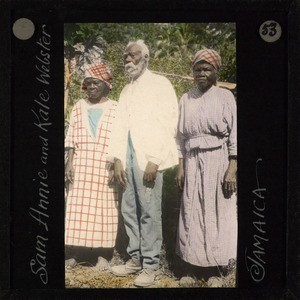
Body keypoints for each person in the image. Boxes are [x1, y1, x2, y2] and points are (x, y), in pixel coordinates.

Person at [108, 40, 178, 287]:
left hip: (149, 158)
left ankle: (151, 265)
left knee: (149, 211)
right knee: (129, 209)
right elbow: (119, 127)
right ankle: (135, 258)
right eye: (125, 55)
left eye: (133, 55)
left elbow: (169, 122)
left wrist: (155, 160)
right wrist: (117, 159)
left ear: (146, 58)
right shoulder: (126, 90)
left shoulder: (160, 84)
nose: (128, 58)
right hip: (127, 157)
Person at [175, 49, 237, 283]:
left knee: (216, 211)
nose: (201, 73)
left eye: (206, 69)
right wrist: (181, 166)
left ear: (215, 72)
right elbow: (180, 138)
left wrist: (232, 168)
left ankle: (216, 270)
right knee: (191, 211)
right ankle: (191, 268)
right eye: (197, 69)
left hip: (218, 159)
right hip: (191, 161)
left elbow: (235, 135)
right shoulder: (185, 98)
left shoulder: (225, 97)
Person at [64, 62, 119, 271]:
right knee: (78, 208)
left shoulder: (115, 107)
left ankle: (103, 255)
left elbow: (119, 138)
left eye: (96, 82)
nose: (92, 86)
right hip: (82, 161)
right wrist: (69, 163)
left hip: (105, 163)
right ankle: (76, 254)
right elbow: (71, 138)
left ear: (105, 84)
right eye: (88, 83)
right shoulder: (79, 106)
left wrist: (115, 165)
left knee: (104, 209)